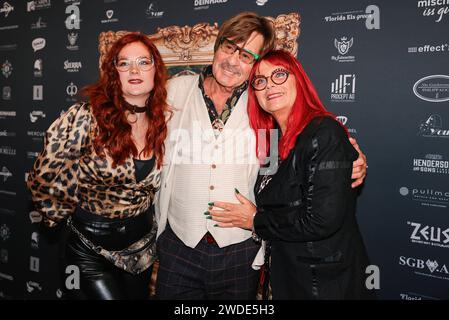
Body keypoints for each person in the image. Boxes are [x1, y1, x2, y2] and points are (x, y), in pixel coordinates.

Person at [155, 12, 367, 300]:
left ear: (256, 64)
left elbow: (293, 150)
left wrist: (350, 157)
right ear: (217, 47)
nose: (232, 60)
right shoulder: (175, 90)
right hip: (179, 245)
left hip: (240, 250)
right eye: (229, 47)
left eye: (246, 55)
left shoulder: (264, 102)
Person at [208, 50, 374, 299]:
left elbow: (321, 220)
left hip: (325, 281)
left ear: (299, 79)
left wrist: (254, 221)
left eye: (279, 74)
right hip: (286, 274)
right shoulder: (272, 142)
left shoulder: (323, 132)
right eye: (260, 81)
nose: (269, 85)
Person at [27, 32, 170, 299]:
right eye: (124, 63)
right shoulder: (85, 117)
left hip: (141, 250)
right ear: (114, 72)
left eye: (143, 62)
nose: (134, 70)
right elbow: (43, 180)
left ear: (156, 70)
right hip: (89, 249)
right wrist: (69, 214)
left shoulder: (162, 123)